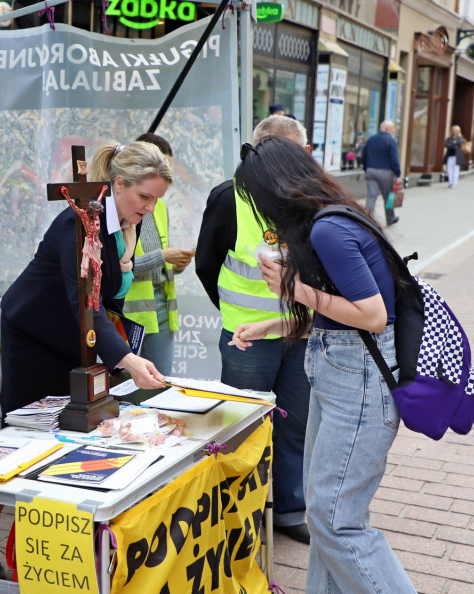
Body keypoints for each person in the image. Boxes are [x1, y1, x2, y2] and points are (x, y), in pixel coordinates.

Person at [0, 141, 170, 582]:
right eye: (144, 198)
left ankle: (52, 542)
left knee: (75, 436)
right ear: (119, 184)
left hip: (77, 341)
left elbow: (110, 300)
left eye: (157, 200)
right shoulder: (77, 224)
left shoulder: (124, 224)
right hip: (33, 336)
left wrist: (119, 354)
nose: (151, 208)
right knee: (21, 436)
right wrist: (128, 360)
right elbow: (88, 302)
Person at [229, 136, 416, 594]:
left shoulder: (327, 230)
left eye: (257, 199)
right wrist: (274, 324)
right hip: (344, 380)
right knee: (329, 515)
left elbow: (371, 317)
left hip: (359, 387)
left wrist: (293, 290)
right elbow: (340, 321)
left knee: (336, 524)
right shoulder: (331, 220)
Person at [195, 114, 312, 544]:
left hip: (299, 334)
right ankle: (240, 516)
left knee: (294, 424)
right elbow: (206, 264)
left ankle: (288, 509)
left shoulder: (307, 196)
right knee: (244, 427)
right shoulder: (229, 197)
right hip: (247, 339)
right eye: (298, 152)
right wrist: (234, 314)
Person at [126, 133, 194, 375]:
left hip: (162, 311)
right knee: (125, 390)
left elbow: (156, 257)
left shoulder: (160, 206)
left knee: (160, 387)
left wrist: (177, 263)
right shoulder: (120, 206)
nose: (168, 174)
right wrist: (164, 257)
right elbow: (117, 267)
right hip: (128, 315)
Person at [362, 120, 402, 226]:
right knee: (388, 196)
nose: (393, 131)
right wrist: (398, 174)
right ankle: (390, 218)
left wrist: (366, 169)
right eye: (392, 128)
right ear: (386, 129)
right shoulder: (390, 140)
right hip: (385, 173)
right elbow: (394, 159)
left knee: (371, 196)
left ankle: (367, 220)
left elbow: (364, 156)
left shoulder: (371, 140)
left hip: (370, 171)